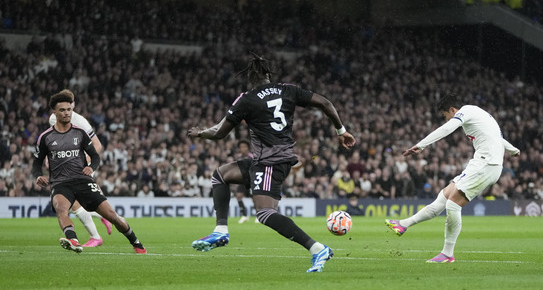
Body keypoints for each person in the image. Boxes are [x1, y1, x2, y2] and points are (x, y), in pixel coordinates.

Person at [188, 53, 356, 272]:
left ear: (250, 79)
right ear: (268, 74)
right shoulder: (288, 89)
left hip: (269, 162)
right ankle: (220, 231)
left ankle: (317, 249)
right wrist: (341, 131)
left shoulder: (246, 99)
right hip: (272, 159)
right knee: (221, 175)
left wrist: (200, 134)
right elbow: (324, 102)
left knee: (265, 213)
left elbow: (220, 133)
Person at [386, 94, 520, 263]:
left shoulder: (466, 112)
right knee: (445, 195)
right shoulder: (478, 114)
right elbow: (496, 137)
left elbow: (447, 129)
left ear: (452, 110)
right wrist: (513, 150)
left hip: (487, 164)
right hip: (482, 163)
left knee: (453, 204)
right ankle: (403, 224)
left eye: (445, 116)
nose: (447, 120)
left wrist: (421, 145)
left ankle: (447, 254)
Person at [32, 91, 147, 254]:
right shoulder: (45, 137)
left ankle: (135, 241)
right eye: (62, 110)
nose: (66, 112)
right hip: (60, 183)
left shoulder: (80, 132)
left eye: (68, 109)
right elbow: (37, 161)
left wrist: (91, 167)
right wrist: (38, 175)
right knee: (61, 208)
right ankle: (73, 240)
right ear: (54, 113)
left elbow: (95, 155)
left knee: (112, 216)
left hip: (82, 180)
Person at [48, 89, 112, 247]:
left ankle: (96, 236)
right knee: (74, 203)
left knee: (73, 203)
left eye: (70, 104)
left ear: (73, 105)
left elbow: (98, 146)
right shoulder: (53, 119)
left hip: (82, 164)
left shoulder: (81, 122)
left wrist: (85, 162)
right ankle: (101, 219)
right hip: (66, 164)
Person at [234, 140, 252, 224]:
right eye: (241, 147)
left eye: (244, 147)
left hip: (251, 180)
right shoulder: (238, 157)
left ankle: (259, 216)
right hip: (242, 181)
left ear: (248, 148)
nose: (243, 148)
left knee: (255, 198)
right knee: (238, 196)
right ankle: (244, 215)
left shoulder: (252, 156)